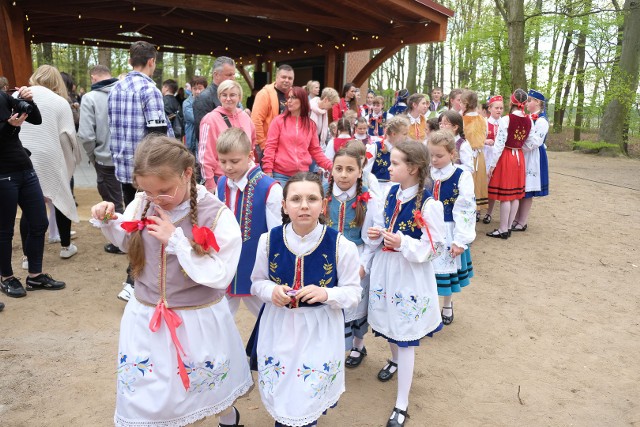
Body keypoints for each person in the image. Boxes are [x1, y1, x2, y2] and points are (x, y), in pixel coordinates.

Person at [90, 135, 252, 427]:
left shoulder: (216, 215)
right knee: (150, 391)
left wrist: (177, 240)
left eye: (163, 191)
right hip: (145, 315)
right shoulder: (143, 203)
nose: (154, 199)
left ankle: (228, 416)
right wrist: (108, 220)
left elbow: (221, 274)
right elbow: (129, 241)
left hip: (196, 318)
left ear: (187, 173)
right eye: (147, 191)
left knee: (205, 386)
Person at [247, 172, 361, 427]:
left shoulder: (341, 245)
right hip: (279, 326)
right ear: (284, 206)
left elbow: (354, 292)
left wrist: (327, 293)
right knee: (284, 390)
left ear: (323, 204)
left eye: (312, 198)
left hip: (319, 328)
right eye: (296, 199)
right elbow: (257, 282)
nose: (304, 205)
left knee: (307, 394)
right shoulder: (268, 240)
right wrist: (271, 292)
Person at [367, 139, 445, 427]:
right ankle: (395, 360)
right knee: (389, 324)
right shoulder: (390, 194)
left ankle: (402, 402)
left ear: (413, 168)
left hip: (409, 276)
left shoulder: (429, 204)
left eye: (395, 163)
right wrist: (379, 234)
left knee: (405, 335)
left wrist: (403, 243)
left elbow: (434, 247)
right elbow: (386, 227)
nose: (389, 166)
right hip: (387, 272)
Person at [108, 40, 174, 301]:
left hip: (124, 167)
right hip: (148, 170)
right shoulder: (149, 89)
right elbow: (157, 135)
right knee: (148, 224)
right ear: (151, 62)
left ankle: (134, 279)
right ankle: (133, 280)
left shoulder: (116, 88)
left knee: (135, 222)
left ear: (130, 61)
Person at [1, 86, 66, 301]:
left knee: (39, 222)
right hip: (3, 175)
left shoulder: (2, 96)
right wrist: (10, 127)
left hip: (25, 169)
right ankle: (7, 277)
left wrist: (28, 101)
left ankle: (35, 276)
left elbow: (36, 119)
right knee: (5, 231)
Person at [325, 143, 383, 369]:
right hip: (328, 257)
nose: (343, 174)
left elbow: (371, 241)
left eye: (350, 169)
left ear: (360, 172)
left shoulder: (368, 202)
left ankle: (358, 345)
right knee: (330, 302)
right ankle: (331, 346)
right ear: (331, 170)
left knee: (355, 306)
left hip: (356, 257)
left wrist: (363, 266)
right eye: (338, 168)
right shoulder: (324, 195)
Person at [215, 127, 282, 317]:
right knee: (220, 318)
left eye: (234, 161)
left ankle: (272, 346)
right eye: (223, 161)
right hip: (226, 263)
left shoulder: (269, 188)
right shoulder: (221, 183)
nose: (228, 167)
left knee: (268, 316)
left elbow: (276, 233)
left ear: (250, 155)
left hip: (256, 265)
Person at [20, 65, 81, 260]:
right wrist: (71, 162)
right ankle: (65, 246)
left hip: (20, 158)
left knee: (28, 207)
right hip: (49, 157)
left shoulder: (17, 96)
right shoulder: (60, 102)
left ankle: (27, 257)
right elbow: (68, 137)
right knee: (61, 197)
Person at [428, 130, 476, 325]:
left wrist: (460, 240)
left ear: (452, 154)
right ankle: (428, 307)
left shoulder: (461, 175)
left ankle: (447, 303)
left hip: (449, 229)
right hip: (427, 229)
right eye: (431, 155)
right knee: (425, 270)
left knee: (446, 270)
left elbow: (466, 208)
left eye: (439, 156)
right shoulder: (425, 172)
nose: (434, 160)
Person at [78, 65, 124, 255]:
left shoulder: (90, 98)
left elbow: (87, 136)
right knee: (129, 197)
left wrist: (93, 156)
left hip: (106, 159)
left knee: (112, 201)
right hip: (129, 157)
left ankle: (121, 242)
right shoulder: (124, 94)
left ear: (93, 77)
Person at [261, 86, 332, 187]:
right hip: (280, 174)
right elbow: (270, 147)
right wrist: (267, 169)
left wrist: (331, 166)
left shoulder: (311, 125)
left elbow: (316, 150)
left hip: (302, 176)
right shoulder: (278, 121)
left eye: (293, 97)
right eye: (288, 98)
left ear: (302, 100)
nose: (289, 101)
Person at [486, 88, 532, 239]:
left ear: (512, 102)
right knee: (515, 195)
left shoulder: (507, 119)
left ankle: (503, 229)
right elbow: (529, 142)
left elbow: (499, 144)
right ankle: (509, 227)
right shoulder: (529, 120)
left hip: (507, 155)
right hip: (519, 156)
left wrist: (493, 164)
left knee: (506, 195)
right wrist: (519, 147)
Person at [199, 80, 256, 191]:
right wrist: (210, 183)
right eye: (224, 95)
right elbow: (205, 156)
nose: (228, 99)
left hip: (245, 178)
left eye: (232, 95)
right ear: (219, 97)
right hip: (221, 178)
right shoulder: (210, 119)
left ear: (239, 97)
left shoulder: (245, 117)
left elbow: (252, 145)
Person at [512, 89, 550, 232]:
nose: (526, 103)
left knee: (528, 188)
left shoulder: (541, 121)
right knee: (520, 188)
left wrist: (518, 146)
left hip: (533, 156)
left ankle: (522, 221)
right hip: (523, 154)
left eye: (529, 101)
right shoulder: (528, 117)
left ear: (537, 103)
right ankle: (515, 218)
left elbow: (535, 142)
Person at [251, 64, 295, 156]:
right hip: (267, 147)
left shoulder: (293, 95)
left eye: (290, 78)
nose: (287, 80)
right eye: (284, 77)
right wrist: (263, 146)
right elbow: (256, 121)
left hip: (286, 148)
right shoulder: (264, 94)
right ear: (277, 77)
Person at [193, 56, 236, 142]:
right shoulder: (203, 98)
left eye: (234, 74)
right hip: (215, 151)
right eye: (229, 75)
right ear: (216, 75)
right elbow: (202, 134)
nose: (233, 78)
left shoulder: (234, 95)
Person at [460, 89, 489, 220]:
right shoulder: (483, 119)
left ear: (466, 103)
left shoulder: (462, 119)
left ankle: (470, 210)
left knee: (468, 182)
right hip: (479, 155)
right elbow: (485, 134)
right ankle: (475, 211)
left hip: (467, 154)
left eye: (461, 102)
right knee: (476, 182)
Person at [366, 115, 410, 196]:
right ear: (393, 134)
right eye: (404, 134)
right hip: (376, 192)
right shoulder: (375, 148)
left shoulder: (402, 151)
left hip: (395, 192)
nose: (406, 137)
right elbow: (365, 171)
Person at [482, 95, 504, 224]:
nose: (499, 110)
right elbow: (477, 139)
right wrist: (485, 141)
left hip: (498, 158)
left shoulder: (504, 123)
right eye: (496, 108)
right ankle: (478, 210)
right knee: (482, 184)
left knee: (493, 186)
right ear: (490, 108)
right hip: (486, 156)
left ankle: (489, 213)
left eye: (501, 108)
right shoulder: (484, 122)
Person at [182, 76, 207, 158]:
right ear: (191, 89)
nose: (197, 91)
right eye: (195, 89)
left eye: (200, 88)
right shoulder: (187, 103)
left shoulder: (207, 102)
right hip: (191, 136)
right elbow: (195, 119)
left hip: (204, 136)